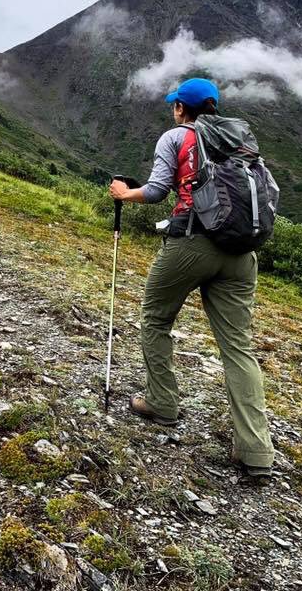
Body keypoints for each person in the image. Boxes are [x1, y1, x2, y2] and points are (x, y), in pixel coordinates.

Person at [109, 78, 275, 478]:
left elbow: (157, 191)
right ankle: (256, 452)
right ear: (214, 107)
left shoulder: (176, 137)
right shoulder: (240, 140)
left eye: (175, 105)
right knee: (238, 347)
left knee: (155, 319)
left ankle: (161, 403)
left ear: (182, 108)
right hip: (240, 252)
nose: (173, 110)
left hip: (190, 243)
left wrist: (122, 194)